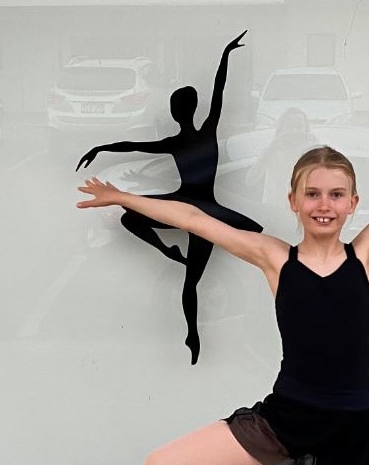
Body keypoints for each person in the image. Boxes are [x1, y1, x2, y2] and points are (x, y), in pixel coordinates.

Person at [77, 9, 369, 465]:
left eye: (336, 195)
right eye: (312, 194)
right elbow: (194, 218)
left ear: (353, 202)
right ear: (293, 201)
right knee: (161, 462)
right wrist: (122, 196)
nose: (324, 205)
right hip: (285, 419)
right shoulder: (274, 257)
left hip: (352, 428)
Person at [75, 31, 263, 365]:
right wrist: (226, 55)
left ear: (176, 114)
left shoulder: (175, 142)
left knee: (133, 218)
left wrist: (99, 148)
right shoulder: (207, 131)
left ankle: (175, 272)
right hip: (198, 208)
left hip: (187, 207)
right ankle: (192, 328)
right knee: (191, 276)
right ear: (191, 110)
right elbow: (218, 93)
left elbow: (130, 147)